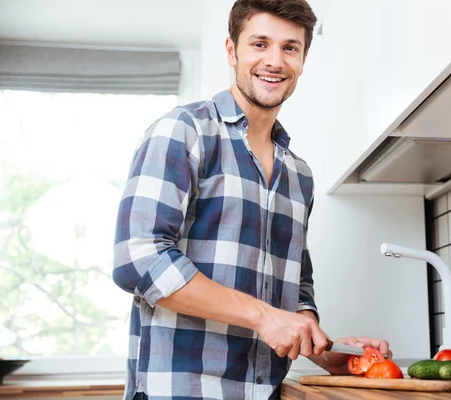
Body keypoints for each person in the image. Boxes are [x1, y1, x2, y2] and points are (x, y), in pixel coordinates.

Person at [112, 1, 392, 399]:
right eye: (259, 44)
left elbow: (297, 287)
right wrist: (264, 318)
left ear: (303, 59)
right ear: (232, 51)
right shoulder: (184, 132)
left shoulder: (299, 174)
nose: (275, 61)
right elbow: (137, 258)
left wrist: (321, 346)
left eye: (290, 48)